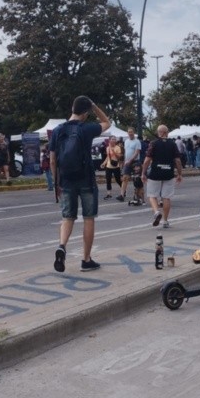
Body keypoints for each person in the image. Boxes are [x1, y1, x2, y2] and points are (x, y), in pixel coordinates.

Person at [49, 96, 111, 272]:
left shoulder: (58, 130)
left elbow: (53, 160)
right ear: (85, 113)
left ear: (72, 109)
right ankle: (86, 259)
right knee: (88, 218)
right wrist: (94, 106)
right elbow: (107, 122)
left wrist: (57, 182)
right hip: (86, 179)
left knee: (67, 217)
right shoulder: (87, 128)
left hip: (67, 181)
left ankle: (62, 245)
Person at [142, 125, 183, 228]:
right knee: (166, 197)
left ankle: (156, 212)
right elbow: (177, 160)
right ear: (167, 132)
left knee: (152, 195)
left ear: (158, 132)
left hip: (155, 173)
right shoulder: (173, 144)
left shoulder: (153, 143)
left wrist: (143, 173)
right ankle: (165, 220)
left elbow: (147, 160)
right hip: (168, 173)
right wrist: (179, 173)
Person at [118, 127, 141, 202]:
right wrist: (125, 161)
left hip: (135, 162)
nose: (130, 133)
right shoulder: (126, 141)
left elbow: (137, 152)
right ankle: (122, 195)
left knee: (136, 179)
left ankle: (137, 196)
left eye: (131, 132)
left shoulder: (137, 141)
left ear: (134, 132)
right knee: (125, 178)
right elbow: (126, 152)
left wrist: (130, 160)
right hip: (127, 162)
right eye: (129, 132)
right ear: (127, 133)